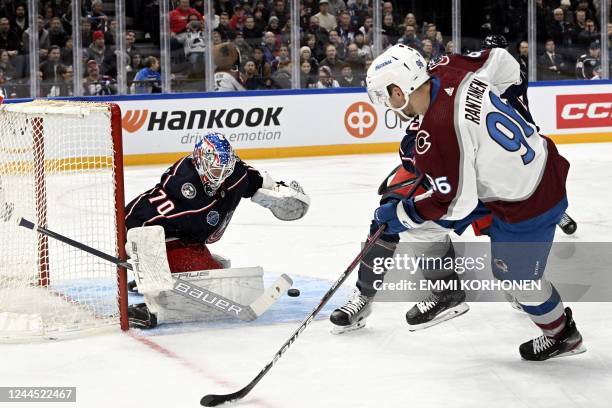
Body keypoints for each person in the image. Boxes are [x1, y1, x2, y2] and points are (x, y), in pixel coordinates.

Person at [353, 43, 585, 361]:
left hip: (530, 201)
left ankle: (562, 335)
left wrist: (403, 212)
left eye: (384, 96)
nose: (387, 106)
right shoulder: (449, 68)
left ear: (398, 90)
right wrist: (516, 103)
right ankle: (447, 290)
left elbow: (454, 205)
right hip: (521, 169)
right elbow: (502, 58)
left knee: (519, 280)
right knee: (423, 229)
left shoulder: (440, 131)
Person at [125, 133, 309, 328]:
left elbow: (257, 184)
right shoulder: (182, 184)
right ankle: (153, 308)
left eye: (224, 170)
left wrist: (280, 192)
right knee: (207, 287)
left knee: (214, 276)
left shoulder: (237, 173)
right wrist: (136, 251)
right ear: (199, 162)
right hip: (169, 240)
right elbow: (140, 214)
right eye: (214, 170)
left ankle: (158, 275)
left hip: (192, 241)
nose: (221, 177)